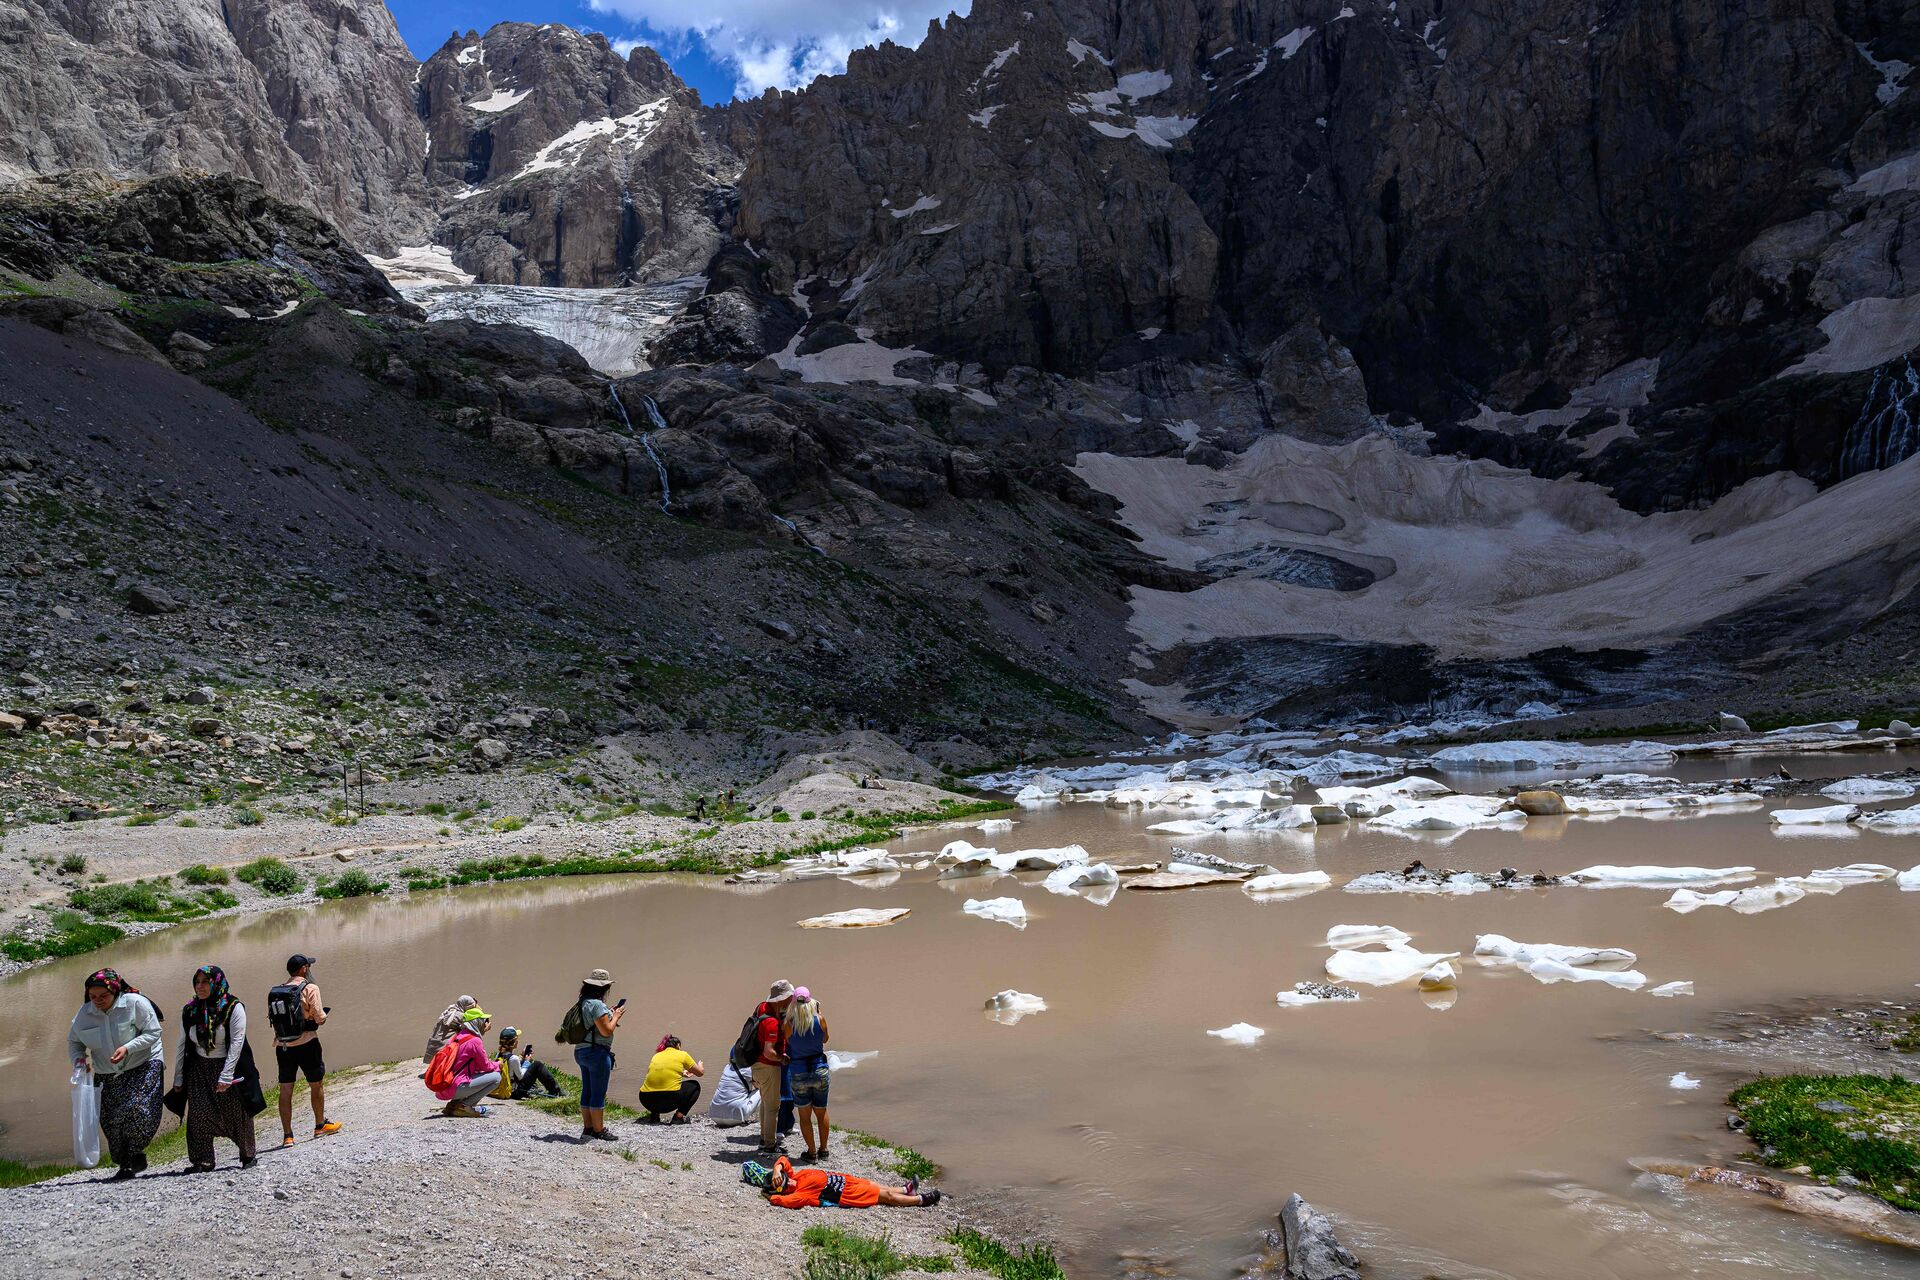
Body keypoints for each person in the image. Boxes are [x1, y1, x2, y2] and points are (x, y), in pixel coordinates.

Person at [67, 969, 165, 1179]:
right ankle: (127, 1165)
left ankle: (134, 1153)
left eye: (103, 996)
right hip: (106, 1073)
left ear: (115, 991)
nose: (98, 1001)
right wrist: (79, 1060)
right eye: (93, 997)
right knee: (112, 1122)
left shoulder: (135, 1004)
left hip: (143, 1063)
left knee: (138, 1110)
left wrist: (128, 1047)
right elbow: (74, 1042)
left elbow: (154, 1032)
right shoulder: (84, 1014)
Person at [174, 965, 259, 1171]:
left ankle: (247, 1156)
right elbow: (182, 1044)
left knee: (238, 1112)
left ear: (216, 983)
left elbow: (237, 1043)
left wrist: (226, 1075)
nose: (200, 986)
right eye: (197, 982)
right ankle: (203, 1160)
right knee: (198, 1113)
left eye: (205, 982)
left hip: (228, 1066)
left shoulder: (233, 1007)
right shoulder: (190, 1010)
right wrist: (178, 1079)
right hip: (200, 1069)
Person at [270, 953, 340, 1147]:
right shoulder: (310, 988)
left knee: (286, 1089)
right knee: (315, 1084)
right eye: (308, 966)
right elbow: (319, 1018)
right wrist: (323, 1015)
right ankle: (319, 1126)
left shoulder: (277, 992)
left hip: (283, 1046)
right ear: (304, 969)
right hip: (307, 1043)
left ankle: (288, 1136)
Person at [744, 1155, 941, 1209]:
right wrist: (772, 1195)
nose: (789, 1184)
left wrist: (778, 1169)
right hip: (848, 1194)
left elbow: (784, 1160)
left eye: (785, 1180)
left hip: (846, 1181)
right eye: (785, 1186)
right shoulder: (801, 1195)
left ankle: (906, 1189)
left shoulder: (796, 1176)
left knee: (877, 1185)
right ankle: (921, 1200)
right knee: (886, 1197)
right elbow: (785, 1201)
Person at [570, 968, 624, 1141]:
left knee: (587, 1090)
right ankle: (599, 1130)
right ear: (604, 988)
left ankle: (588, 1128)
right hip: (597, 1053)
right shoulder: (597, 1005)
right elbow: (606, 1030)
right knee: (598, 1093)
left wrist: (609, 1013)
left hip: (581, 1051)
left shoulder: (583, 1002)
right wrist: (616, 1015)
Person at [783, 990, 831, 1161]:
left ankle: (811, 1153)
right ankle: (824, 1150)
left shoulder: (789, 1024)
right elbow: (825, 1039)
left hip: (798, 1070)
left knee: (804, 1115)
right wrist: (818, 1014)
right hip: (819, 1069)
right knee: (821, 1111)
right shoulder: (820, 1019)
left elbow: (788, 1042)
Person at [432, 1008, 502, 1117]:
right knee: (496, 1077)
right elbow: (486, 1066)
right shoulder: (475, 1041)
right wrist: (498, 1064)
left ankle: (453, 1105)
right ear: (477, 1023)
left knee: (466, 1075)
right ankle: (465, 1106)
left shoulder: (457, 1036)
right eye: (484, 1021)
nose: (486, 1024)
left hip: (445, 1086)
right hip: (456, 1087)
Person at [751, 979, 794, 1154]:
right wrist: (782, 1059)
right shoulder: (772, 1023)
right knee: (773, 1107)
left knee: (765, 1102)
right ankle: (769, 1145)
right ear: (783, 999)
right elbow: (769, 1051)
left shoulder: (762, 1007)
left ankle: (763, 1139)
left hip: (756, 1064)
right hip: (768, 1065)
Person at [639, 1034, 704, 1123]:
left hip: (646, 1100)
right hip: (668, 1101)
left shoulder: (657, 1055)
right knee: (695, 1086)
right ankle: (678, 1117)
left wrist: (681, 1073)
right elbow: (700, 1073)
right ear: (678, 1045)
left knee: (656, 1084)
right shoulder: (682, 1054)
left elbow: (661, 1072)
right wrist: (700, 1065)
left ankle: (654, 1115)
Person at [496, 1027, 564, 1100]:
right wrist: (527, 1062)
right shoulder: (514, 1058)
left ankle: (546, 1089)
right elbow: (520, 1076)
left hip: (506, 1087)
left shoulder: (499, 1055)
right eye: (517, 1039)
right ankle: (555, 1091)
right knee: (537, 1065)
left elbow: (511, 1065)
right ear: (515, 1042)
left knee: (528, 1064)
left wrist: (522, 1056)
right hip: (515, 1092)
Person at [424, 995, 476, 1063]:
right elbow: (472, 1027)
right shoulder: (460, 1015)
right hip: (443, 1048)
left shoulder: (451, 1009)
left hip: (434, 1046)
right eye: (470, 1008)